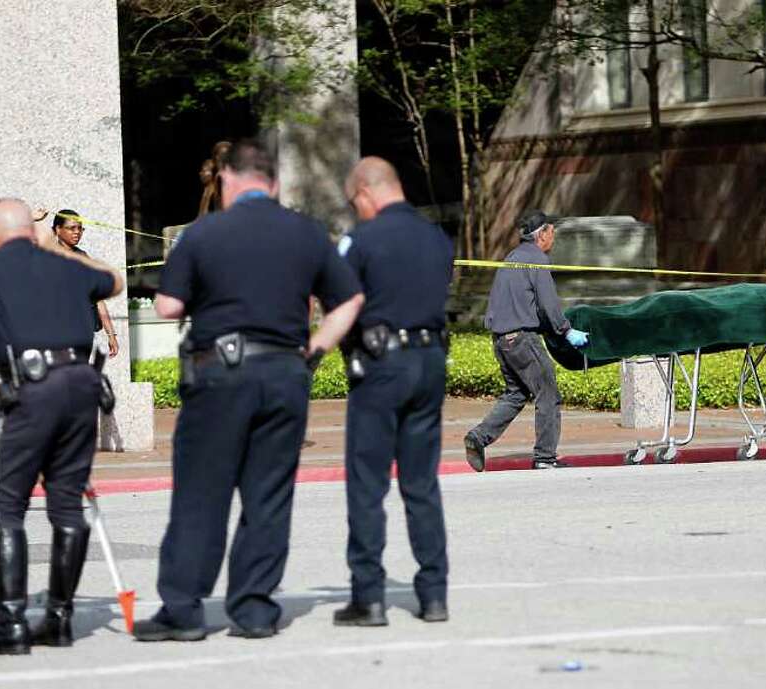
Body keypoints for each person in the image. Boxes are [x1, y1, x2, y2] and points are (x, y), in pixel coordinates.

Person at [134, 138, 364, 642]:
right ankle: (254, 608)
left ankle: (184, 611)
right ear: (273, 184)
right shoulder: (306, 232)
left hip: (219, 374)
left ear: (227, 180)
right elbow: (349, 300)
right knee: (269, 495)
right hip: (285, 374)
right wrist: (315, 352)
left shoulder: (204, 233)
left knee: (201, 495)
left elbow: (168, 307)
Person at [0, 198, 124, 656]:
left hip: (29, 389)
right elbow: (114, 281)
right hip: (83, 386)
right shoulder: (67, 265)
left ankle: (11, 623)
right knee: (66, 504)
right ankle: (58, 619)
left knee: (6, 506)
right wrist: (55, 248)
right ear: (34, 231)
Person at [333, 157, 455, 627]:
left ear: (365, 191)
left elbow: (339, 297)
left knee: (368, 483)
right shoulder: (435, 237)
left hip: (381, 365)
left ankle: (369, 597)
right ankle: (433, 595)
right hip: (430, 361)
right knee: (421, 483)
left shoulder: (360, 239)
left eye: (353, 202)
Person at [463, 210, 589, 472]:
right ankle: (545, 457)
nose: (553, 238)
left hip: (501, 340)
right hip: (521, 338)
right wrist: (565, 331)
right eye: (552, 232)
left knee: (516, 394)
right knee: (548, 393)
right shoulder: (536, 259)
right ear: (542, 234)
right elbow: (548, 304)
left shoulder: (512, 259)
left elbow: (521, 303)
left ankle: (478, 437)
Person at [49, 209, 120, 358]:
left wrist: (111, 334)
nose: (77, 232)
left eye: (80, 228)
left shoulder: (83, 257)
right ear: (58, 229)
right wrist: (33, 218)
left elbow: (98, 299)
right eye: (71, 228)